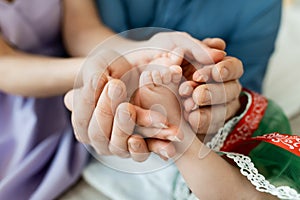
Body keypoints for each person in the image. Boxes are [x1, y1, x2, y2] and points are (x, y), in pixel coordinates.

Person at [0, 0, 242, 199]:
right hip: (18, 104)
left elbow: (82, 30)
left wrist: (138, 54)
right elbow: (6, 67)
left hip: (79, 87)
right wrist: (96, 71)